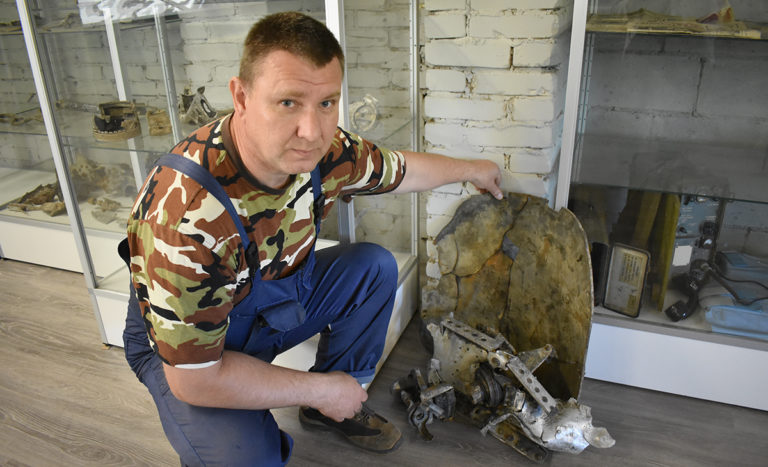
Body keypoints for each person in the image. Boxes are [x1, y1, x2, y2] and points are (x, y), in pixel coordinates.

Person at [122, 11, 502, 466]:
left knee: (373, 268)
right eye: (288, 102)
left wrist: (472, 170)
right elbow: (195, 379)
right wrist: (317, 388)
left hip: (268, 305)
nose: (312, 131)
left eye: (326, 103)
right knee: (244, 460)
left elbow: (400, 171)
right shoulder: (185, 216)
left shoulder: (326, 151)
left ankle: (330, 410)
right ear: (241, 97)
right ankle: (323, 398)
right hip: (185, 354)